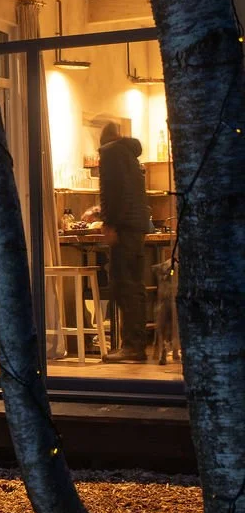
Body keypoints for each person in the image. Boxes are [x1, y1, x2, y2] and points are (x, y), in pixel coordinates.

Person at [98, 121, 151, 362]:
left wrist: (110, 223)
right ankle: (137, 345)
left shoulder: (110, 153)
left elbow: (112, 192)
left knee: (122, 286)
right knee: (135, 287)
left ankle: (131, 346)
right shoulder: (131, 156)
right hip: (137, 227)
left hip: (124, 228)